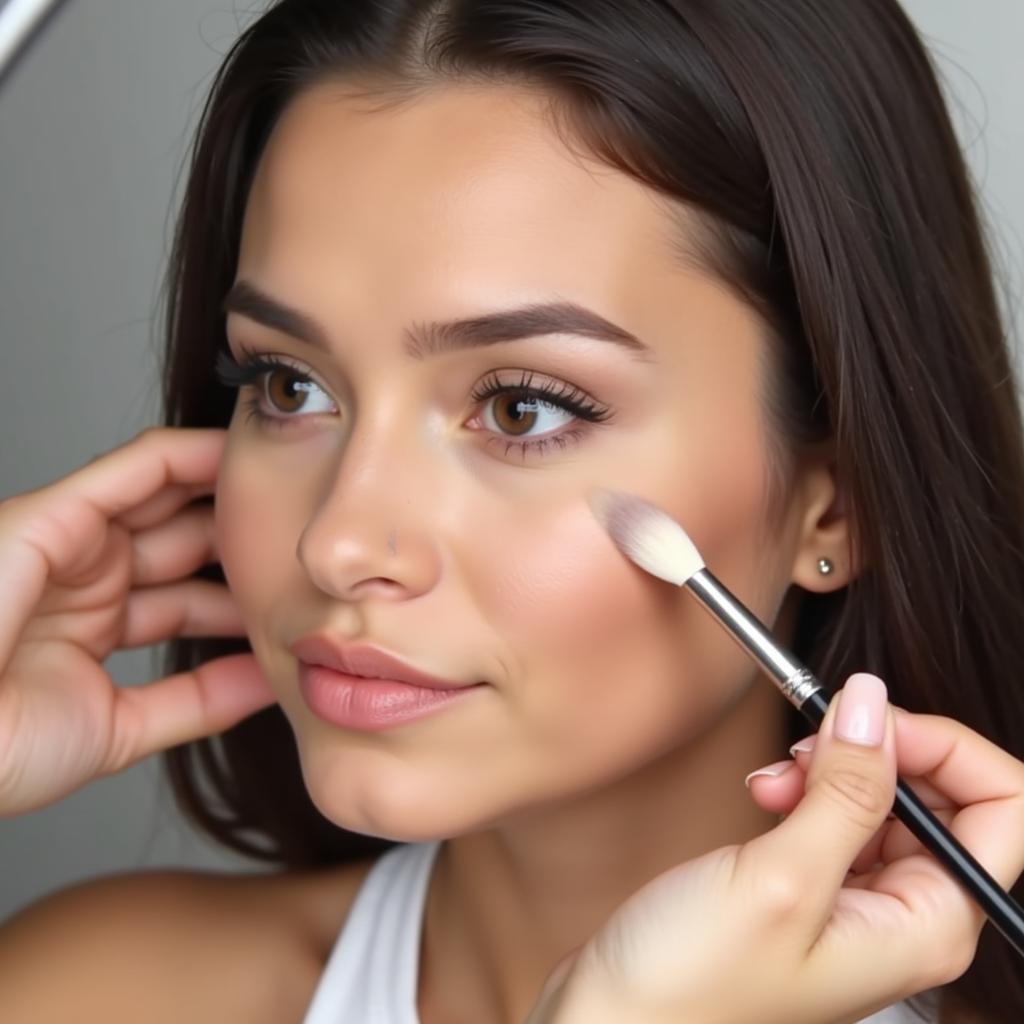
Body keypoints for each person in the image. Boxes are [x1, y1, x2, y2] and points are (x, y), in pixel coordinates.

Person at [1, 0, 1023, 1021]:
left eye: (518, 407)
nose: (337, 541)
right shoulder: (90, 990)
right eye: (286, 385)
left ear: (833, 507)